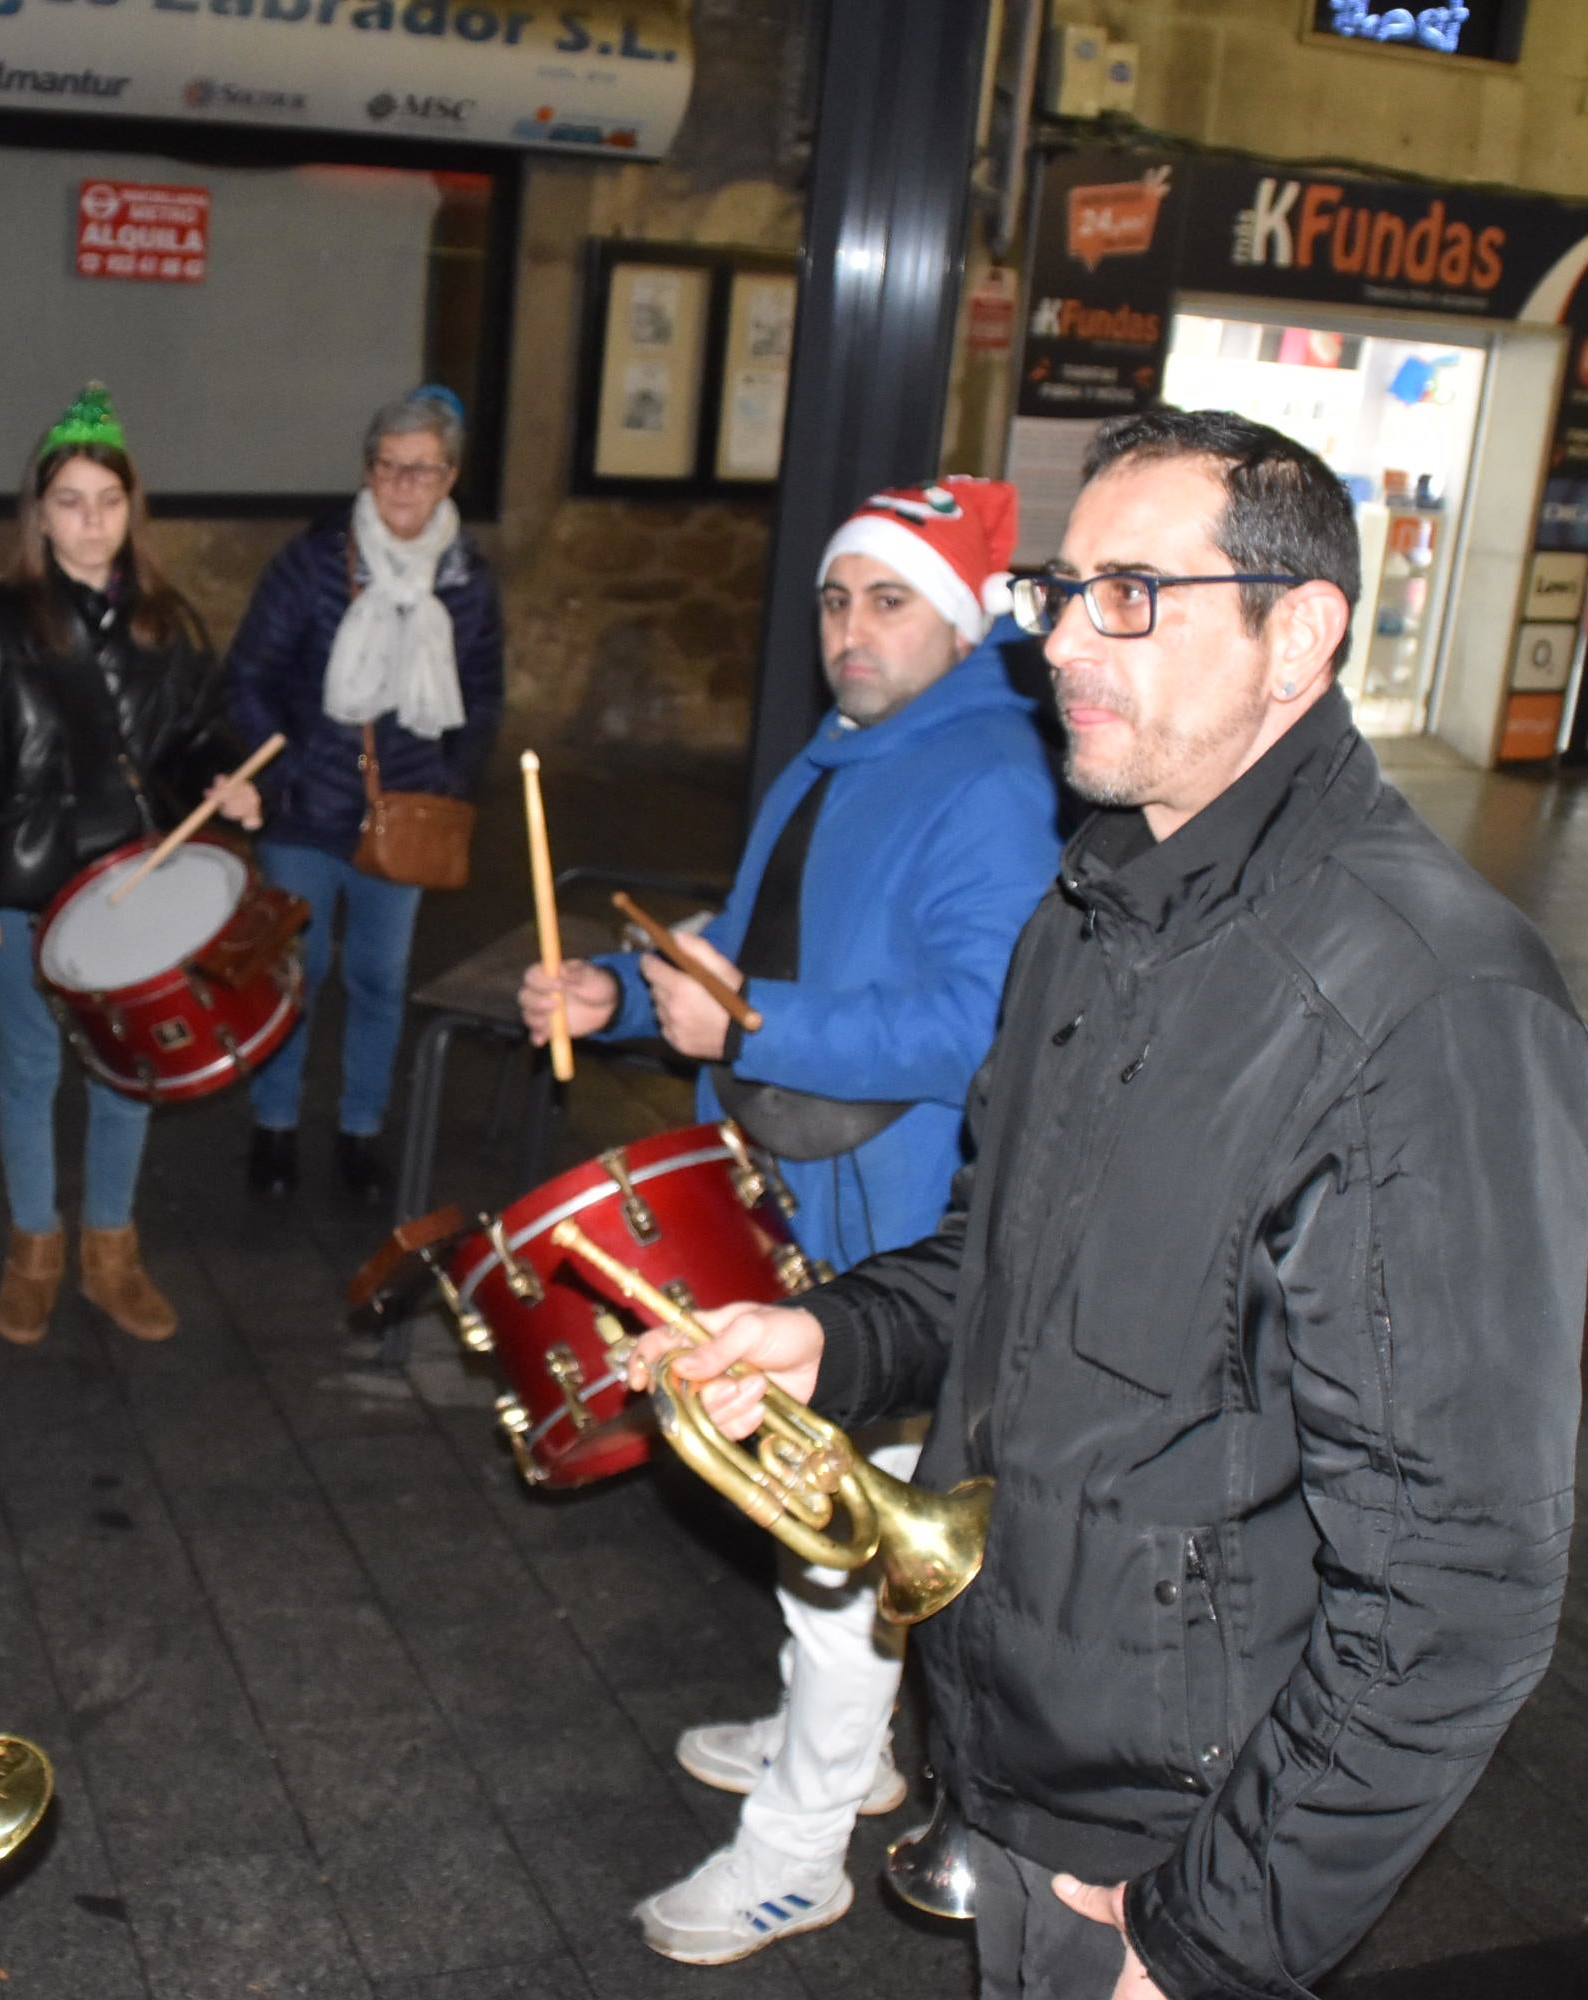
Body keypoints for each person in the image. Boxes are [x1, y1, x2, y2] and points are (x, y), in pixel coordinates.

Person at [630, 408, 1588, 2000]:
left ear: (1301, 636)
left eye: (1134, 596)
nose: (1064, 642)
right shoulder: (1089, 910)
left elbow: (1458, 1590)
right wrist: (829, 1342)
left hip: (1185, 1828)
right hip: (1025, 1737)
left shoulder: (1432, 1004)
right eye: (1060, 591)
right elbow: (1000, 1265)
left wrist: (1202, 1939)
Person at [519, 479, 1062, 1964]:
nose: (851, 629)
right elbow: (733, 964)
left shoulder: (993, 779)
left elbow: (975, 1026)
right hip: (794, 1192)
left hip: (901, 1224)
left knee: (843, 1539)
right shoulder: (833, 756)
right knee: (806, 1520)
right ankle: (840, 1739)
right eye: (837, 598)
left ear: (956, 620)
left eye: (889, 600)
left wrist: (752, 1019)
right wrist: (618, 998)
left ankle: (800, 1851)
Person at [0, 384, 257, 1346]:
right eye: (70, 500)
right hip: (20, 889)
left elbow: (196, 737)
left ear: (133, 510)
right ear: (39, 513)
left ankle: (110, 1252)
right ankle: (33, 1251)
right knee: (28, 1064)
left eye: (108, 499)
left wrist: (227, 779)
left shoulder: (169, 623)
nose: (91, 520)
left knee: (126, 1070)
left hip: (133, 885)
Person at [228, 386, 504, 1202]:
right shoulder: (316, 559)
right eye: (389, 467)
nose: (403, 486)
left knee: (381, 977)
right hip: (305, 808)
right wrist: (280, 775)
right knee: (296, 970)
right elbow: (250, 673)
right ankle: (274, 1126)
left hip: (408, 813)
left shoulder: (465, 579)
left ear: (449, 476)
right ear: (368, 469)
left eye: (421, 470)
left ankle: (360, 1132)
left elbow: (482, 695)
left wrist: (449, 785)